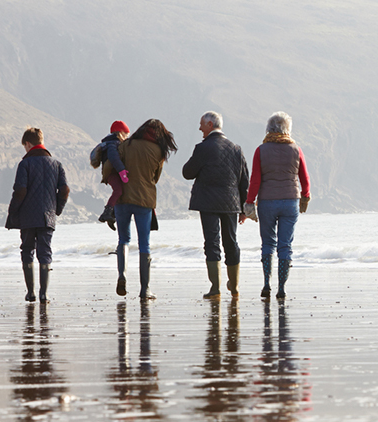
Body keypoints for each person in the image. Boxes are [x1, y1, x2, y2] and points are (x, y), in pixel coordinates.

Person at [182, 111, 249, 299]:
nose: (199, 128)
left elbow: (187, 172)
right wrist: (245, 208)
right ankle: (234, 286)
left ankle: (215, 288)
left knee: (212, 243)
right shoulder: (237, 149)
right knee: (231, 242)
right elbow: (244, 180)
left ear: (210, 124)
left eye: (202, 124)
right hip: (231, 203)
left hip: (208, 202)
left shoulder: (203, 148)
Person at [108, 119, 177, 300]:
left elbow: (114, 165)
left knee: (123, 239)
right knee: (144, 244)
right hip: (144, 200)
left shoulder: (126, 145)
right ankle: (145, 289)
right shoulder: (159, 151)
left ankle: (122, 275)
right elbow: (156, 177)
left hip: (123, 199)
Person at [244, 111, 310, 300]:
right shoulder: (296, 149)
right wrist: (305, 197)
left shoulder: (261, 150)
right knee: (285, 245)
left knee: (267, 243)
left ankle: (266, 283)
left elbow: (255, 179)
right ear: (287, 129)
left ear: (268, 129)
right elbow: (304, 177)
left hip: (267, 202)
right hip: (290, 201)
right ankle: (281, 288)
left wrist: (249, 202)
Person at [5, 127, 69, 302]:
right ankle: (44, 293)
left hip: (27, 217)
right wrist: (57, 209)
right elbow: (64, 190)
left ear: (27, 143)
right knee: (45, 252)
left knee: (27, 250)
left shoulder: (24, 164)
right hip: (47, 216)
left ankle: (31, 292)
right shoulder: (56, 164)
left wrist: (13, 211)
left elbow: (20, 191)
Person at [90, 120, 131, 230]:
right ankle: (107, 213)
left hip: (112, 173)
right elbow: (113, 158)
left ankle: (112, 215)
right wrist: (122, 171)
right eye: (126, 135)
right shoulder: (113, 144)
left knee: (119, 192)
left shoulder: (110, 142)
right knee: (118, 191)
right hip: (112, 174)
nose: (127, 138)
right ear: (120, 133)